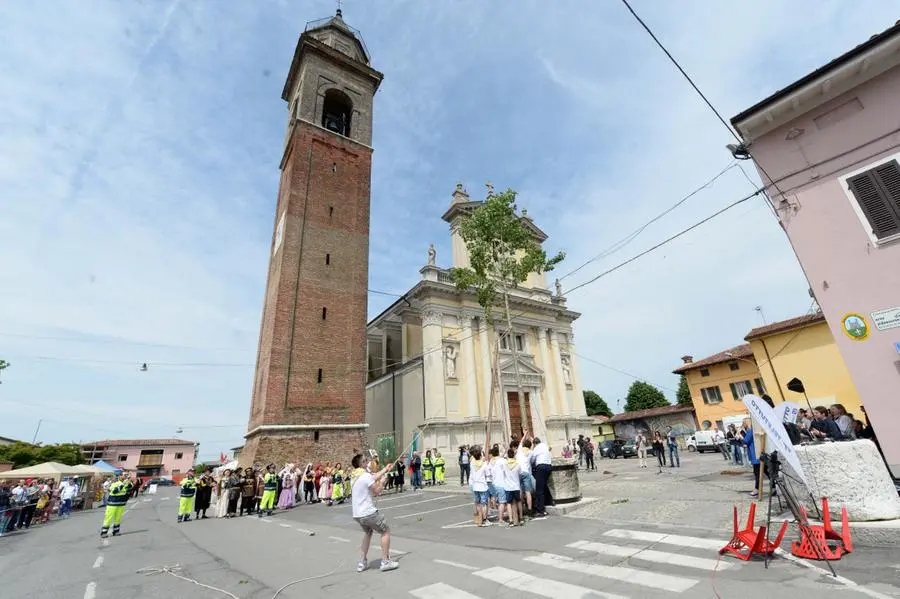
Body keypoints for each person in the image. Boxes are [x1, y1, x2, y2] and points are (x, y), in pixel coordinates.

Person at [351, 454, 399, 573]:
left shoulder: (355, 476)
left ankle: (362, 562)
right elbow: (377, 491)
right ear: (360, 464)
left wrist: (385, 469)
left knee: (368, 532)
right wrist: (382, 482)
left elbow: (374, 476)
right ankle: (385, 561)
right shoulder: (365, 475)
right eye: (365, 461)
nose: (367, 462)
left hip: (357, 514)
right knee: (385, 531)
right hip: (368, 512)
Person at [100, 473, 130, 538]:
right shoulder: (114, 483)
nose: (125, 477)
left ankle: (116, 531)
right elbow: (114, 491)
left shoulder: (126, 483)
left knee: (118, 518)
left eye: (126, 475)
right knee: (108, 518)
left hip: (121, 504)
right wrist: (122, 485)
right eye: (124, 475)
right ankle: (104, 532)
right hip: (112, 504)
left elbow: (128, 491)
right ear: (119, 476)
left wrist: (128, 485)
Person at [531, 437, 552, 518]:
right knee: (544, 485)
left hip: (541, 467)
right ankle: (550, 501)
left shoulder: (536, 448)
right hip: (548, 466)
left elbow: (532, 460)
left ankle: (540, 509)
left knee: (539, 489)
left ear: (535, 443)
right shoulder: (544, 445)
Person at [468, 446, 490, 527]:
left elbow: (473, 458)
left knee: (477, 503)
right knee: (484, 504)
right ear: (480, 456)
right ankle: (484, 519)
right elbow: (488, 474)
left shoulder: (472, 463)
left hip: (475, 486)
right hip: (483, 486)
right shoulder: (484, 464)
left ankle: (479, 517)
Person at [501, 448, 522, 527]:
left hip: (508, 486)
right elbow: (520, 473)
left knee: (509, 503)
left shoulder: (505, 464)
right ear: (513, 455)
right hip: (516, 485)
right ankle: (521, 517)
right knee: (518, 501)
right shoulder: (517, 464)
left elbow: (503, 474)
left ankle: (510, 519)